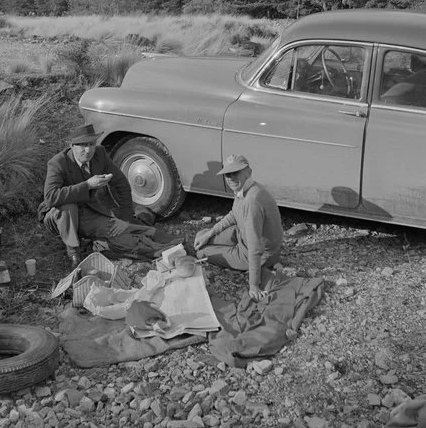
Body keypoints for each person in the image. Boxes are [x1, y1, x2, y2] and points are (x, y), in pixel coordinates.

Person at [37, 124, 180, 267]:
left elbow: (121, 184)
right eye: (82, 145)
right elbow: (50, 197)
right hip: (59, 215)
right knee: (68, 206)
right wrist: (87, 185)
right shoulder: (58, 163)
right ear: (72, 145)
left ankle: (170, 243)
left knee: (119, 230)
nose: (88, 150)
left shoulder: (99, 154)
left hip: (88, 211)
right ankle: (73, 253)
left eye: (91, 144)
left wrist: (125, 218)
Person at [193, 154, 283, 301]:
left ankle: (254, 262)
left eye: (236, 173)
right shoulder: (246, 188)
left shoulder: (252, 200)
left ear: (248, 171)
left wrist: (254, 285)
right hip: (242, 235)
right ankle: (211, 237)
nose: (231, 178)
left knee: (201, 253)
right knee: (201, 236)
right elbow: (234, 215)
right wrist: (209, 233)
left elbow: (255, 248)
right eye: (228, 174)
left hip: (258, 253)